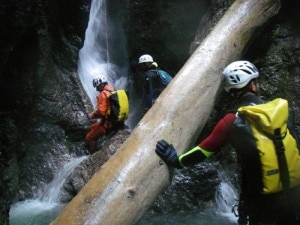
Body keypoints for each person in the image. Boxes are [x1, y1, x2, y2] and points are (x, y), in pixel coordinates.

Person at [155, 61, 300, 225]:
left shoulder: (232, 120)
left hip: (260, 201)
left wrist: (176, 160)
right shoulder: (281, 112)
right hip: (293, 194)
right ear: (253, 86)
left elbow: (205, 150)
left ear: (230, 90)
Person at [85, 75, 123, 154]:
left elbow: (101, 112)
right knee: (91, 127)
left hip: (108, 124)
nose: (97, 89)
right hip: (116, 120)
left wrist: (93, 115)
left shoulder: (103, 94)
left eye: (97, 87)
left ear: (101, 85)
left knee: (89, 137)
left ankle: (93, 154)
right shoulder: (111, 89)